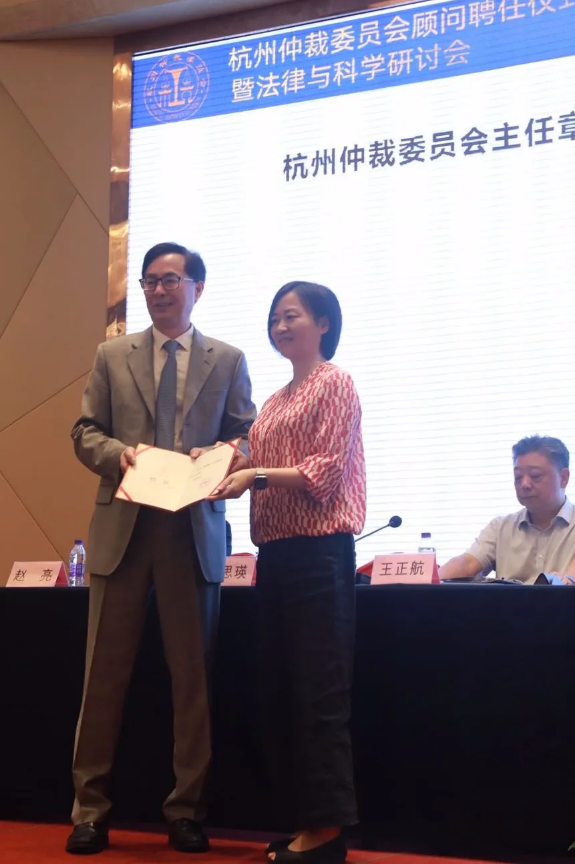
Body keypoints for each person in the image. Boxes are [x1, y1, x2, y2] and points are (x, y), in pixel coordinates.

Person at [66, 242, 256, 855]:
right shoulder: (111, 355)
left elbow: (246, 434)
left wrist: (220, 456)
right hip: (123, 528)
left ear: (198, 287)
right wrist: (119, 454)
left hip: (192, 531)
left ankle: (186, 811)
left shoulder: (228, 359)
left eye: (171, 280)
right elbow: (84, 431)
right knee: (102, 678)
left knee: (192, 680)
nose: (158, 290)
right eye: (150, 281)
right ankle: (90, 811)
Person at [207, 281, 366, 864]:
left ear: (323, 323)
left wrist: (253, 476)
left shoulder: (335, 382)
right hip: (275, 558)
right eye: (274, 318)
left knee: (318, 694)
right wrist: (214, 461)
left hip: (320, 556)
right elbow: (250, 458)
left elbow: (323, 471)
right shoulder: (274, 401)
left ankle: (327, 834)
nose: (280, 326)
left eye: (292, 315)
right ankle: (305, 823)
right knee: (282, 692)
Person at [439, 435, 575, 584]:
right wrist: (429, 578)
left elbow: (568, 581)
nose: (524, 484)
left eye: (535, 476)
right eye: (518, 477)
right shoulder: (500, 528)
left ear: (563, 478)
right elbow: (468, 563)